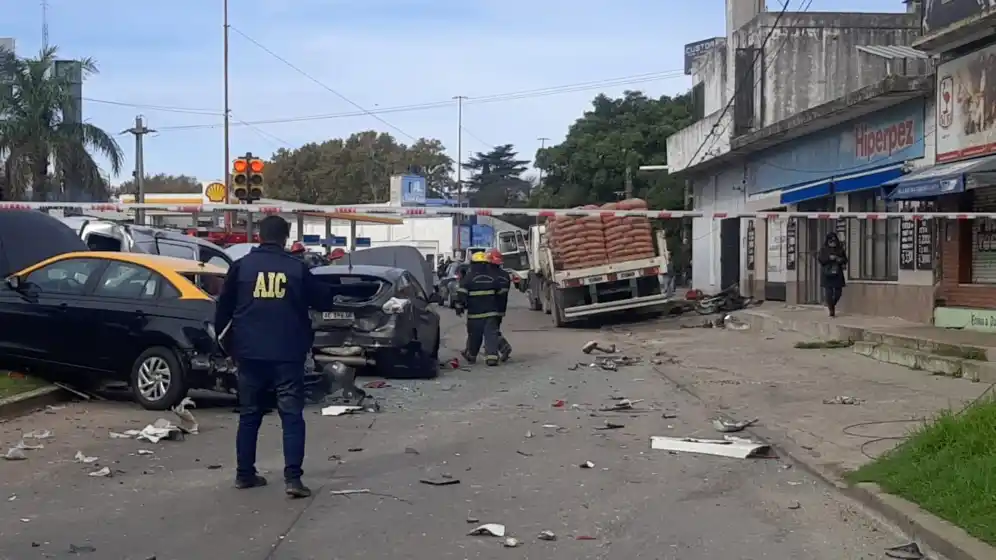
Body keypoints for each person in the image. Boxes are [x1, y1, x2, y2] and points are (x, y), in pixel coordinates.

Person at [215, 215, 336, 499]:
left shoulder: (241, 267)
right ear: (285, 238)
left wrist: (227, 347)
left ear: (258, 236)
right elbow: (324, 301)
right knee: (291, 415)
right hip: (287, 353)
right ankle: (293, 479)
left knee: (249, 414)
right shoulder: (297, 269)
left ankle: (244, 474)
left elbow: (223, 310)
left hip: (249, 353)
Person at [454, 251, 501, 366]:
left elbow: (461, 295)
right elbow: (500, 294)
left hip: (475, 315)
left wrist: (459, 307)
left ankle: (472, 355)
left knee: (474, 336)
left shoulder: (468, 279)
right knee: (491, 335)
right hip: (491, 313)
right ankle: (492, 357)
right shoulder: (493, 277)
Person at [486, 248, 513, 362]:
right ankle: (499, 348)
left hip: (491, 307)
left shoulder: (490, 275)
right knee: (494, 329)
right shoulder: (505, 275)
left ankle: (504, 347)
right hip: (501, 308)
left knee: (490, 331)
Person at [817, 232, 848, 318]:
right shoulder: (824, 249)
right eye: (831, 241)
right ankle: (831, 310)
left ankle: (831, 305)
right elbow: (820, 259)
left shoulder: (840, 249)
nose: (832, 243)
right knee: (829, 292)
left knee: (838, 293)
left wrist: (838, 259)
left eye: (834, 241)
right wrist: (829, 258)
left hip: (837, 273)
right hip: (827, 274)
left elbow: (845, 260)